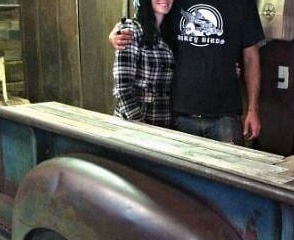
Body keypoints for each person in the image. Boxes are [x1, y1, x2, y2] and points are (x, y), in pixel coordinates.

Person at [110, 0, 264, 144]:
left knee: (230, 172)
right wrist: (117, 32)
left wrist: (253, 109)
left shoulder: (243, 3)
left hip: (225, 114)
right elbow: (145, 15)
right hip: (176, 114)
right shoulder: (174, 2)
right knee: (176, 172)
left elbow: (251, 57)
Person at [113, 0, 175, 128]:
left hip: (165, 121)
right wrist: (140, 125)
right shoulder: (131, 30)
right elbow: (122, 88)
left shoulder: (171, 31)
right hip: (134, 122)